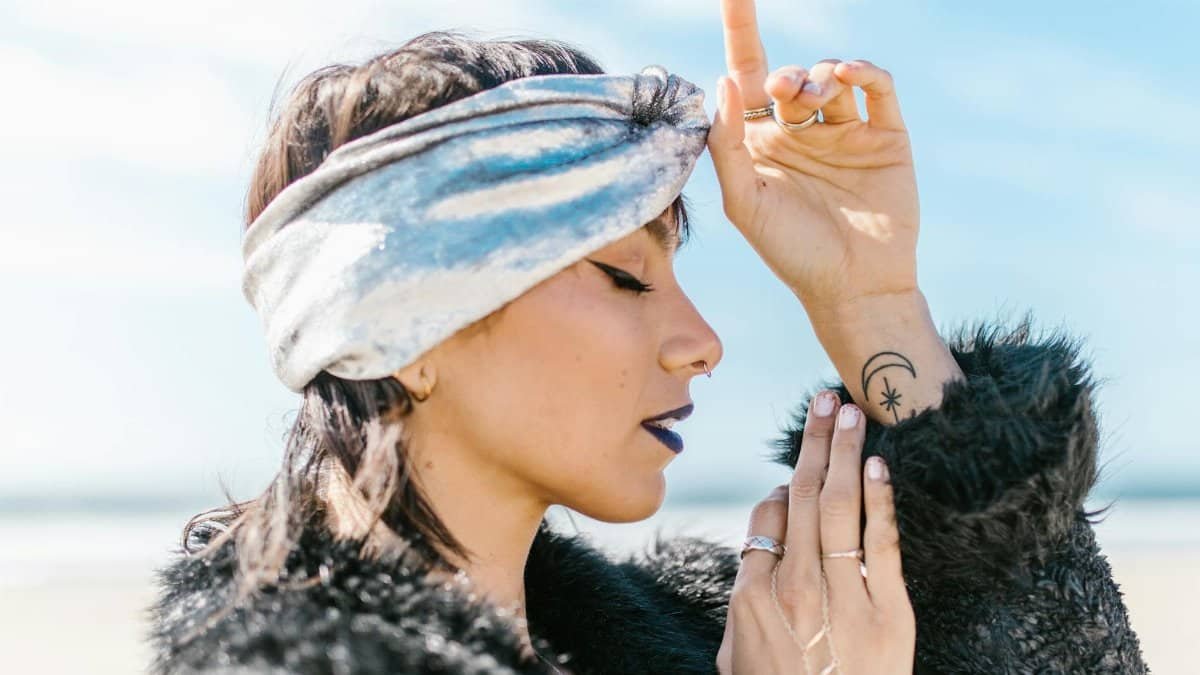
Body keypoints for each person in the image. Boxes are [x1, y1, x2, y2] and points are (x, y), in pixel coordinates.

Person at [146, 6, 1147, 674]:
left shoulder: (715, 626)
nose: (703, 342)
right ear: (400, 327)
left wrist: (872, 302)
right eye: (625, 274)